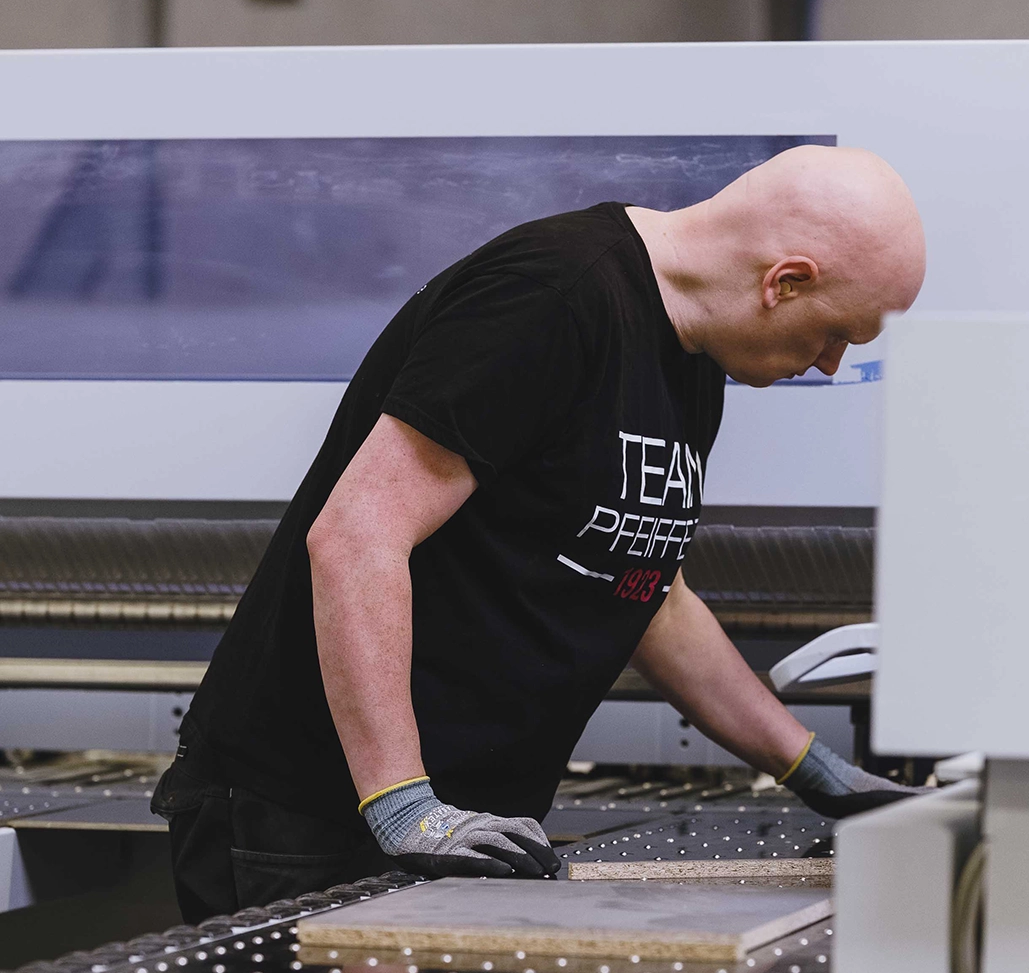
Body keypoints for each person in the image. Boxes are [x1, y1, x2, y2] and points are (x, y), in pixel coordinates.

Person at [152, 145, 927, 923]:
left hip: (459, 827)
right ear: (783, 282)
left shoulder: (689, 357)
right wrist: (401, 803)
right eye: (837, 333)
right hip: (308, 816)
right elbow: (358, 536)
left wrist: (813, 770)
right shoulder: (551, 298)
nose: (831, 365)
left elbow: (647, 594)